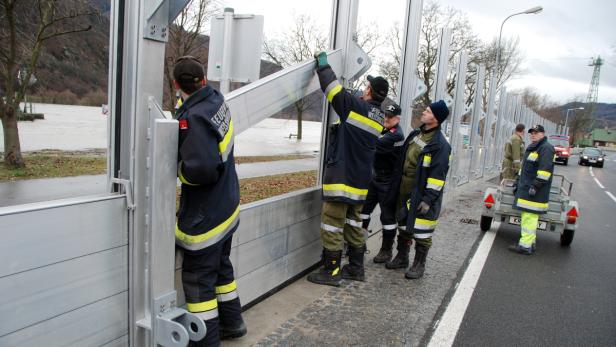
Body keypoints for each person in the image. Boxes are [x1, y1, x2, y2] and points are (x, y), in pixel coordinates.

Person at [173, 56, 246, 346]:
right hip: (226, 207)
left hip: (207, 216)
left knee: (199, 280)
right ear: (203, 80)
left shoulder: (194, 117)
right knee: (221, 269)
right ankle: (233, 323)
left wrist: (177, 170)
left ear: (177, 85)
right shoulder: (216, 101)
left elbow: (202, 171)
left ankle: (206, 341)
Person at [307, 51, 387, 286]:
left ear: (370, 91)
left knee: (331, 222)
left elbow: (332, 89)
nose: (364, 89)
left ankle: (331, 271)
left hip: (342, 179)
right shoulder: (379, 116)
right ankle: (356, 268)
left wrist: (323, 65)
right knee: (354, 223)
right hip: (361, 183)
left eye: (367, 87)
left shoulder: (355, 107)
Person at [385, 100, 451, 279]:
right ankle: (402, 257)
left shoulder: (440, 145)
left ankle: (419, 264)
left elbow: (438, 177)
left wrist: (428, 199)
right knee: (404, 223)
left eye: (428, 111)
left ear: (436, 118)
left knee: (422, 231)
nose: (423, 112)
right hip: (404, 188)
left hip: (421, 194)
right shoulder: (416, 135)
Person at [359, 102, 405, 264]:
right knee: (363, 211)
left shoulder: (396, 135)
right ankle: (360, 244)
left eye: (390, 117)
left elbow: (373, 143)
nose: (386, 118)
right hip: (375, 178)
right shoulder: (386, 130)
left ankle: (386, 250)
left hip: (388, 181)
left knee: (387, 217)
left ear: (397, 119)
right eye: (385, 115)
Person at [509, 124, 554, 255]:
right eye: (531, 132)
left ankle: (525, 246)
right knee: (529, 218)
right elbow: (525, 169)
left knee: (529, 218)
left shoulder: (546, 148)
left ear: (543, 133)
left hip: (534, 192)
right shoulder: (534, 147)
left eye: (536, 132)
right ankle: (530, 244)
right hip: (527, 190)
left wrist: (535, 186)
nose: (533, 134)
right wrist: (518, 181)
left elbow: (545, 171)